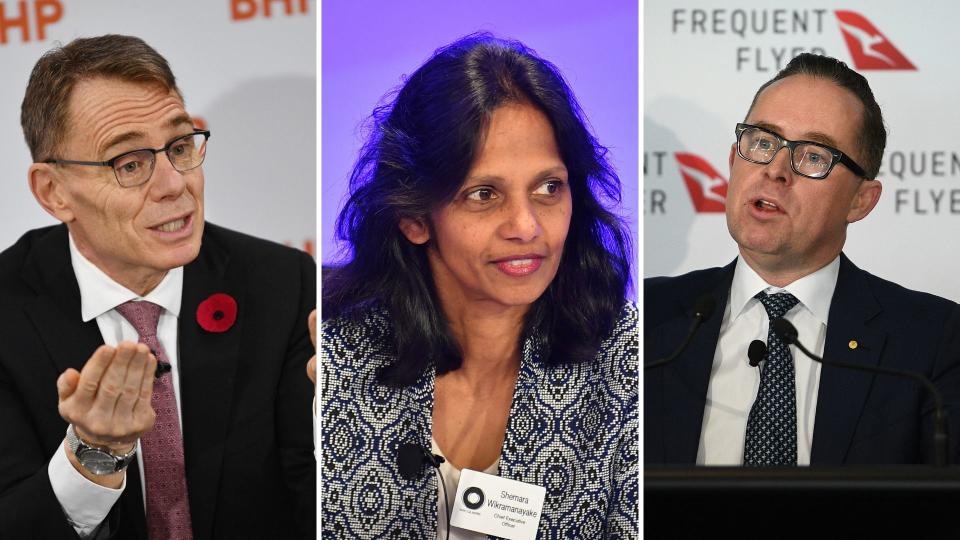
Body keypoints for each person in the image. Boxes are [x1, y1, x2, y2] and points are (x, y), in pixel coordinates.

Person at [321, 34, 637, 538]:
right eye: (484, 194)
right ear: (414, 216)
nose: (527, 226)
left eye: (549, 188)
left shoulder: (627, 358)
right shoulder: (333, 352)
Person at [0, 35, 316, 538]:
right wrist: (91, 457)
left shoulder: (284, 285)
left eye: (179, 146)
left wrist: (353, 432)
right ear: (54, 192)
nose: (174, 184)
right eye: (129, 163)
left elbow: (311, 507)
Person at [645, 53, 960, 466]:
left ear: (861, 201)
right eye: (762, 142)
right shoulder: (646, 321)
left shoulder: (933, 343)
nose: (775, 170)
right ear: (732, 162)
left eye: (813, 155)